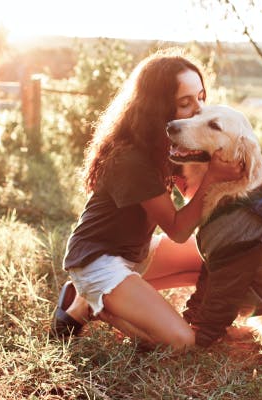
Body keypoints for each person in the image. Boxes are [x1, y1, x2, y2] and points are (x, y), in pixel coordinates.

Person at [51, 48, 242, 350]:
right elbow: (179, 231)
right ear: (159, 107)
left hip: (136, 254)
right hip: (97, 260)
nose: (199, 109)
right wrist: (212, 177)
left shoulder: (171, 144)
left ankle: (95, 300)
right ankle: (94, 304)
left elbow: (196, 203)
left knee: (222, 256)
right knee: (181, 342)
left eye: (201, 97)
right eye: (185, 102)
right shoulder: (131, 158)